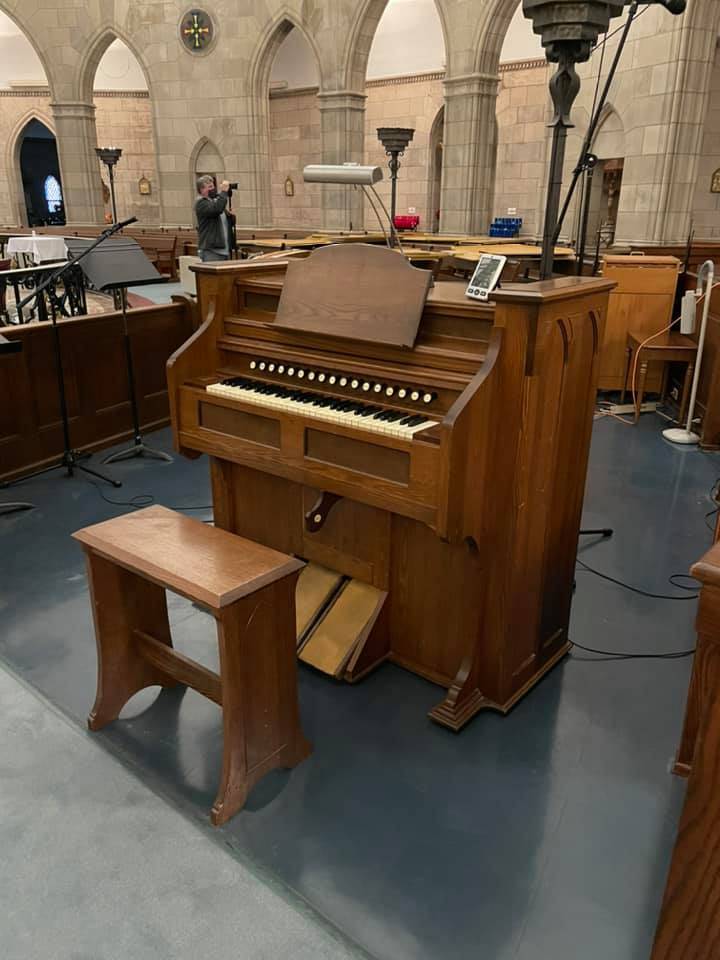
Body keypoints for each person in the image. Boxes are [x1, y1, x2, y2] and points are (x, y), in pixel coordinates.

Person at [194, 175, 232, 262]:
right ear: (201, 189)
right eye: (210, 187)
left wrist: (230, 216)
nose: (213, 189)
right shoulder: (201, 203)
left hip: (223, 249)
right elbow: (217, 209)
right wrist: (223, 192)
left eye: (213, 186)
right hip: (211, 251)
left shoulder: (214, 201)